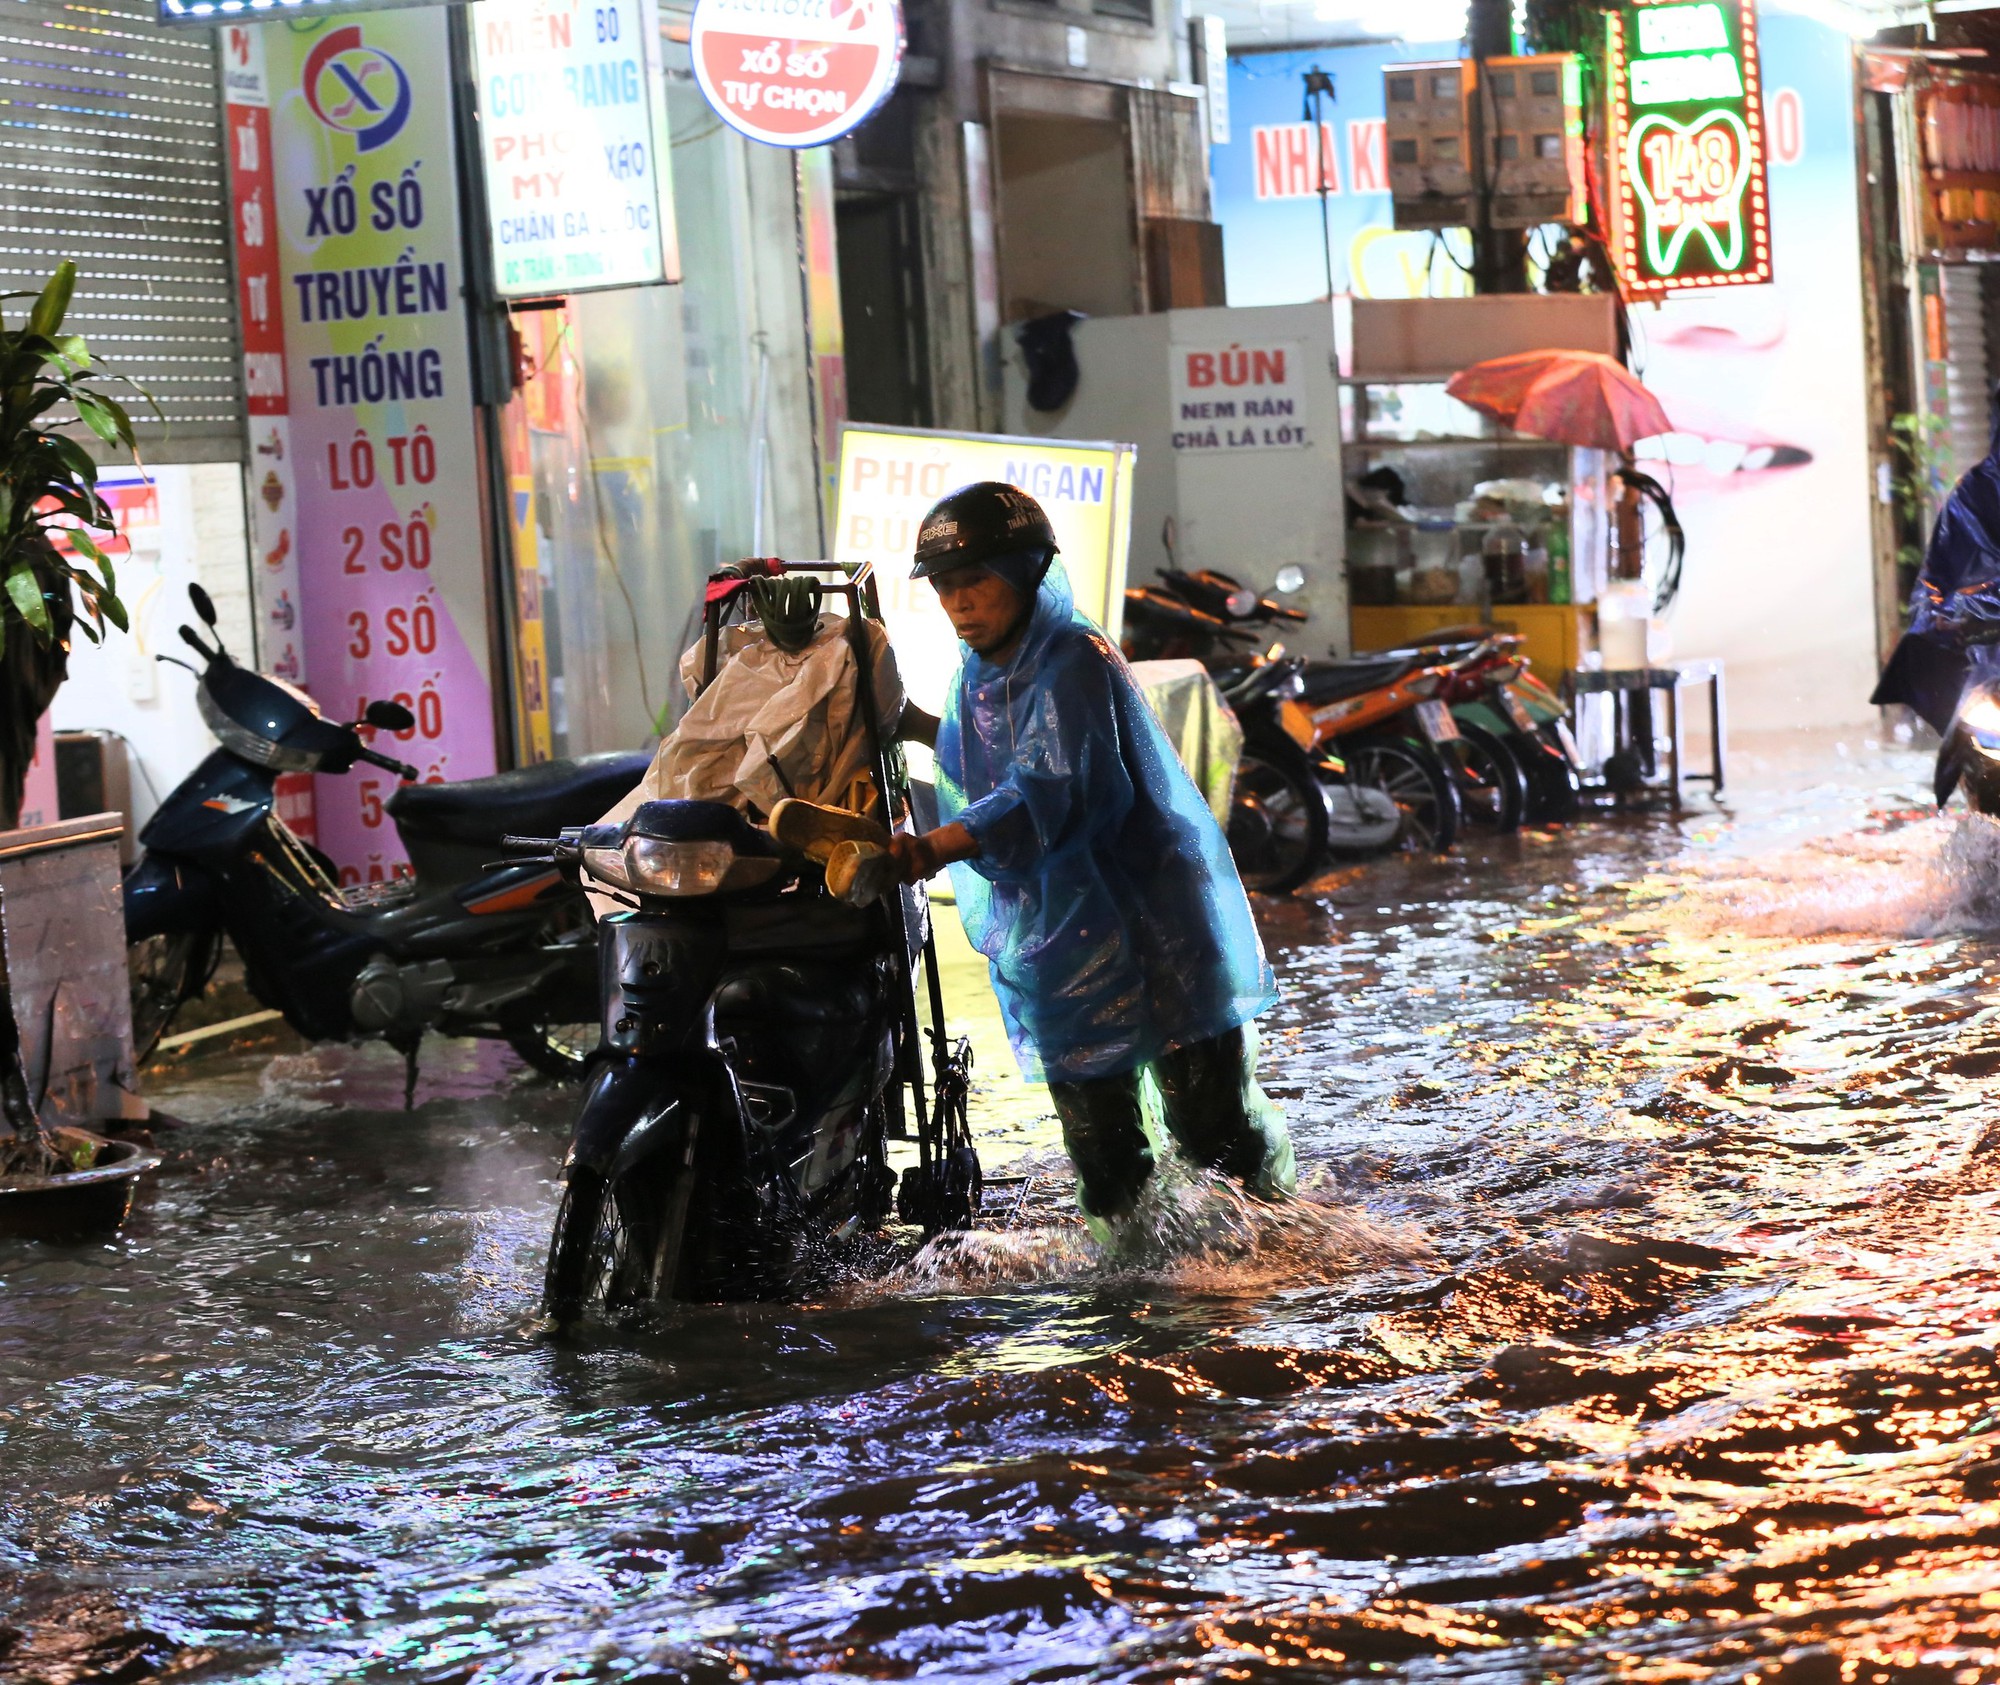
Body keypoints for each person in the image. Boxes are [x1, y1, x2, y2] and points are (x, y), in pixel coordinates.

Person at [886, 481, 1295, 1234]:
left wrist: (935, 847)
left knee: (1216, 1138)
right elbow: (981, 764)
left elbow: (1053, 788)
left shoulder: (1073, 657)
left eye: (975, 579)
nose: (960, 602)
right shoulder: (978, 673)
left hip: (1160, 929)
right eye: (945, 585)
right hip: (1064, 948)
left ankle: (1257, 1280)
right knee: (1105, 1160)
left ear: (1027, 571)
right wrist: (908, 721)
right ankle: (1138, 1296)